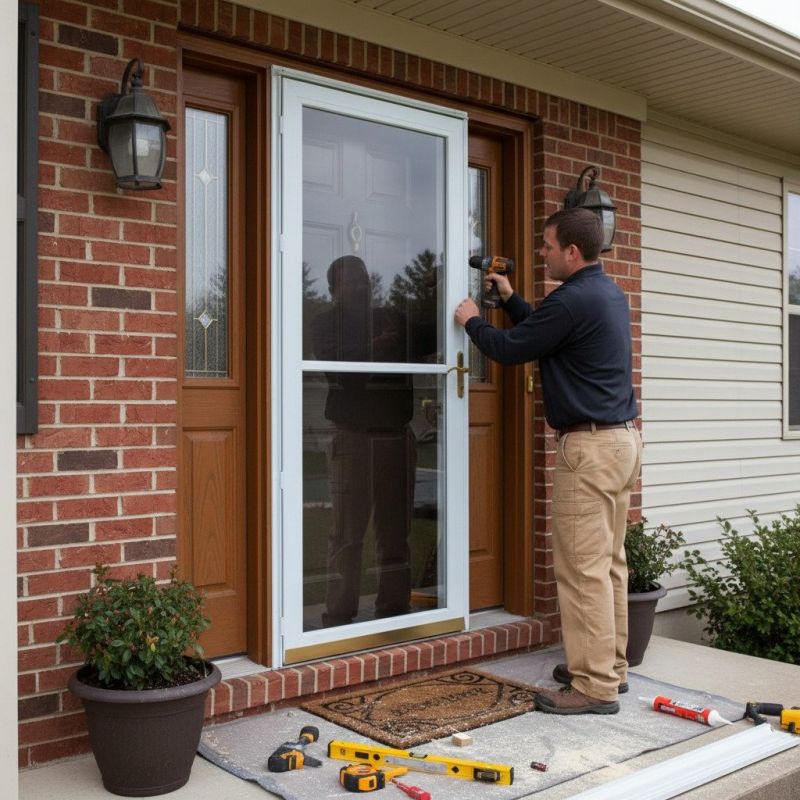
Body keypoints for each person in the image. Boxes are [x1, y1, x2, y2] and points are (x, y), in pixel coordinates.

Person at [454, 208, 642, 715]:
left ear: (572, 253)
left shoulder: (572, 300)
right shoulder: (605, 293)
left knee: (582, 571)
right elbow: (545, 330)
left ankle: (594, 687)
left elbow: (514, 349)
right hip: (621, 442)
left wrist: (472, 320)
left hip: (590, 448)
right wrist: (512, 299)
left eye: (548, 246)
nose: (542, 253)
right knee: (608, 566)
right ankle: (609, 667)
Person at [311, 255, 416, 628]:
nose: (360, 286)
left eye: (364, 280)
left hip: (396, 437)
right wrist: (378, 350)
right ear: (334, 289)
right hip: (352, 438)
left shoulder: (393, 318)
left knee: (395, 531)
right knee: (347, 533)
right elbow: (347, 374)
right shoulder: (324, 324)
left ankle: (394, 611)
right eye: (351, 281)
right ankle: (338, 619)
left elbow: (427, 345)